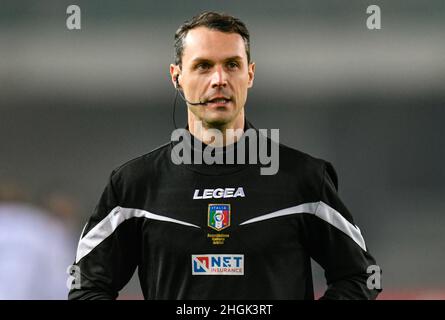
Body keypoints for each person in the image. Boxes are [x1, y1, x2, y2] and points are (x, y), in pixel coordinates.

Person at [68, 11, 381, 300]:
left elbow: (362, 275)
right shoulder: (134, 185)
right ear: (176, 76)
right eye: (203, 66)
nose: (219, 79)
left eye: (232, 64)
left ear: (250, 75)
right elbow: (85, 285)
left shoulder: (303, 178)